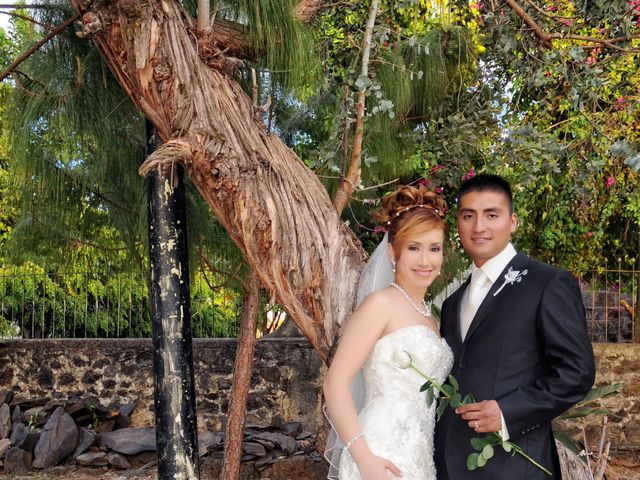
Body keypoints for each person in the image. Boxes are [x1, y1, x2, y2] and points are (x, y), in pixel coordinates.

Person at [434, 173, 596, 479]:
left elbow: (577, 372)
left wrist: (508, 413)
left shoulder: (547, 283)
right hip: (448, 464)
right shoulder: (453, 302)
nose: (479, 226)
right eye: (468, 216)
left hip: (515, 465)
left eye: (491, 215)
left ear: (512, 222)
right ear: (458, 224)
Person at [323, 185, 453, 480]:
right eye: (413, 248)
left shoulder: (430, 318)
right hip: (378, 454)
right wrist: (364, 459)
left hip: (419, 457)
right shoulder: (380, 304)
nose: (425, 261)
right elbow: (334, 384)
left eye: (434, 248)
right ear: (393, 252)